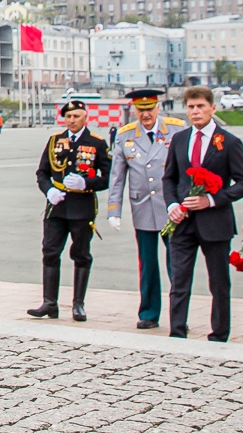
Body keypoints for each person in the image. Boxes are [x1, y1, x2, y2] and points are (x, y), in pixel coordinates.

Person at [162, 86, 243, 342]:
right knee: (179, 281)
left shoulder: (229, 142)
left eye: (201, 106)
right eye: (191, 107)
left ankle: (219, 333)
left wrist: (211, 200)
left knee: (219, 283)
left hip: (215, 222)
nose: (196, 111)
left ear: (213, 108)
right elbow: (169, 179)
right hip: (183, 222)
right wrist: (172, 206)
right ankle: (177, 331)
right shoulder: (179, 139)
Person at [106, 88, 186, 330]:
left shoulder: (177, 129)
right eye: (140, 110)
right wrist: (113, 210)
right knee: (148, 264)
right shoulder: (125, 135)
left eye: (149, 109)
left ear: (158, 108)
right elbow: (117, 176)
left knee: (178, 265)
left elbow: (186, 168)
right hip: (143, 207)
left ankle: (179, 315)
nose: (145, 115)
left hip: (172, 208)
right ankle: (149, 312)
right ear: (134, 111)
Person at [29, 100, 111, 322]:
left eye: (76, 116)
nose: (72, 121)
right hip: (57, 206)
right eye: (68, 117)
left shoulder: (96, 143)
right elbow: (42, 173)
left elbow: (108, 177)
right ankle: (49, 302)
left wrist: (87, 183)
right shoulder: (55, 141)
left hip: (82, 207)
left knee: (81, 255)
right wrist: (49, 191)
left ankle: (78, 304)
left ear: (85, 117)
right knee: (50, 252)